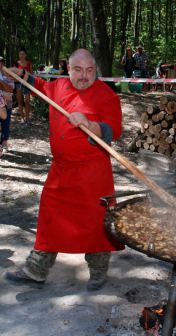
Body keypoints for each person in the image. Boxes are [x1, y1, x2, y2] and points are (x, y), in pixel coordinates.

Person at [4, 49, 124, 291]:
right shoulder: (58, 86)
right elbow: (40, 86)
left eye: (90, 70)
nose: (84, 76)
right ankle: (36, 270)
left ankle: (99, 272)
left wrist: (91, 125)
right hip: (61, 170)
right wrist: (22, 75)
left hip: (93, 173)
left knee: (97, 223)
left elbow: (115, 129)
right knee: (50, 219)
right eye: (78, 70)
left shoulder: (105, 94)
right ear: (68, 69)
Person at [0, 56, 15, 157]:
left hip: (7, 105)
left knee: (5, 124)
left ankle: (4, 142)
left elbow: (10, 89)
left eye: (1, 62)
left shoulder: (8, 75)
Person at [15, 48, 33, 124]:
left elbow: (31, 74)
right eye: (20, 54)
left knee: (27, 101)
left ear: (25, 55)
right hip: (18, 83)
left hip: (27, 84)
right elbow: (14, 73)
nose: (21, 55)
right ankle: (22, 118)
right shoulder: (16, 63)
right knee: (20, 101)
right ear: (18, 55)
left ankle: (27, 118)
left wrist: (26, 73)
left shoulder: (29, 63)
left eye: (23, 54)